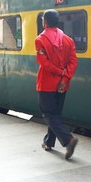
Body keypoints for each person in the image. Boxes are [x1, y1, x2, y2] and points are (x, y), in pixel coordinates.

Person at [35, 9, 79, 159]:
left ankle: (68, 140)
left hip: (47, 84)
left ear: (45, 22)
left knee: (48, 114)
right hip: (62, 85)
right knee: (55, 115)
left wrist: (59, 73)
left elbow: (43, 62)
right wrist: (65, 78)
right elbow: (73, 62)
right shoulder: (68, 40)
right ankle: (49, 142)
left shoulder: (40, 40)